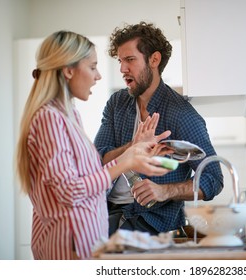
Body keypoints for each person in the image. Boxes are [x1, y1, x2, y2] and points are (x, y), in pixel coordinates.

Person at [15, 30, 171, 260]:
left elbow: (91, 182)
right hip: (67, 250)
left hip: (85, 247)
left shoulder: (69, 117)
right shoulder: (50, 118)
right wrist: (125, 162)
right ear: (69, 70)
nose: (98, 76)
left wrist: (133, 151)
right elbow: (70, 191)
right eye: (92, 67)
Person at [94, 22, 224, 236]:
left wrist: (164, 191)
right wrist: (132, 147)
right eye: (120, 61)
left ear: (154, 60)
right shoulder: (117, 104)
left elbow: (213, 177)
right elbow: (98, 159)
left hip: (152, 224)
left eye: (130, 60)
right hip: (104, 215)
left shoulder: (181, 114)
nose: (122, 69)